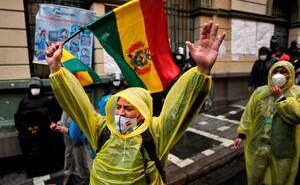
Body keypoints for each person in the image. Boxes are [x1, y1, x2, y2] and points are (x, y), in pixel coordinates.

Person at [46, 21, 225, 184]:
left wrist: (202, 70)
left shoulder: (155, 133)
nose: (121, 113)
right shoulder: (101, 129)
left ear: (142, 112)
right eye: (118, 107)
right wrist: (56, 68)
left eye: (128, 108)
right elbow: (76, 104)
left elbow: (180, 109)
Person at [233, 61, 300, 185]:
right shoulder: (260, 92)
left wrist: (280, 98)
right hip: (259, 144)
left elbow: (297, 116)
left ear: (290, 74)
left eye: (283, 71)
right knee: (254, 178)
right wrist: (241, 134)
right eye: (276, 71)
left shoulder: (297, 93)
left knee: (280, 180)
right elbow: (248, 113)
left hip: (283, 147)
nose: (278, 74)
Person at [14, 76, 65, 178]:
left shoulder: (46, 100)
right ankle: (34, 172)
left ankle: (46, 169)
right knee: (32, 152)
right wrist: (18, 128)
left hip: (44, 131)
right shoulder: (24, 101)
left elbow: (53, 114)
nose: (34, 89)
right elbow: (19, 115)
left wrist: (53, 122)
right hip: (30, 132)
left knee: (45, 151)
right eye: (33, 87)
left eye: (36, 87)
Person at [50, 112, 93, 185]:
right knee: (71, 163)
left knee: (84, 167)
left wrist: (67, 131)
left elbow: (80, 132)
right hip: (70, 144)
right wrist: (59, 125)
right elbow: (63, 119)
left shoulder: (79, 106)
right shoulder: (67, 106)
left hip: (81, 145)